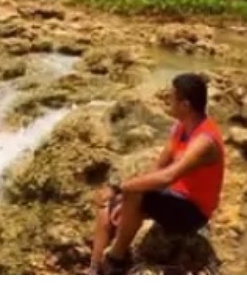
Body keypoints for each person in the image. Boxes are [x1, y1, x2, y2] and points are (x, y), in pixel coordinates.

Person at [89, 73, 226, 275]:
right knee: (107, 210)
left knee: (134, 193)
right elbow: (158, 168)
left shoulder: (204, 142)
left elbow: (167, 177)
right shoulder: (181, 127)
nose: (166, 100)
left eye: (172, 97)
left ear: (185, 105)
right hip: (173, 197)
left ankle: (115, 259)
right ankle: (93, 269)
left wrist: (120, 188)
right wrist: (123, 201)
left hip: (192, 212)